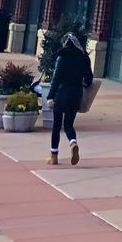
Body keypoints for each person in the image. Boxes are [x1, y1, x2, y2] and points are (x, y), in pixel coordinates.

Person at [48, 31, 93, 166]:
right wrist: (84, 83)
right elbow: (88, 79)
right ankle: (73, 143)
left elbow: (56, 79)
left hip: (61, 94)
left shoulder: (62, 57)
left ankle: (54, 156)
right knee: (68, 124)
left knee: (56, 126)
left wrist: (50, 96)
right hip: (76, 94)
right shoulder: (84, 57)